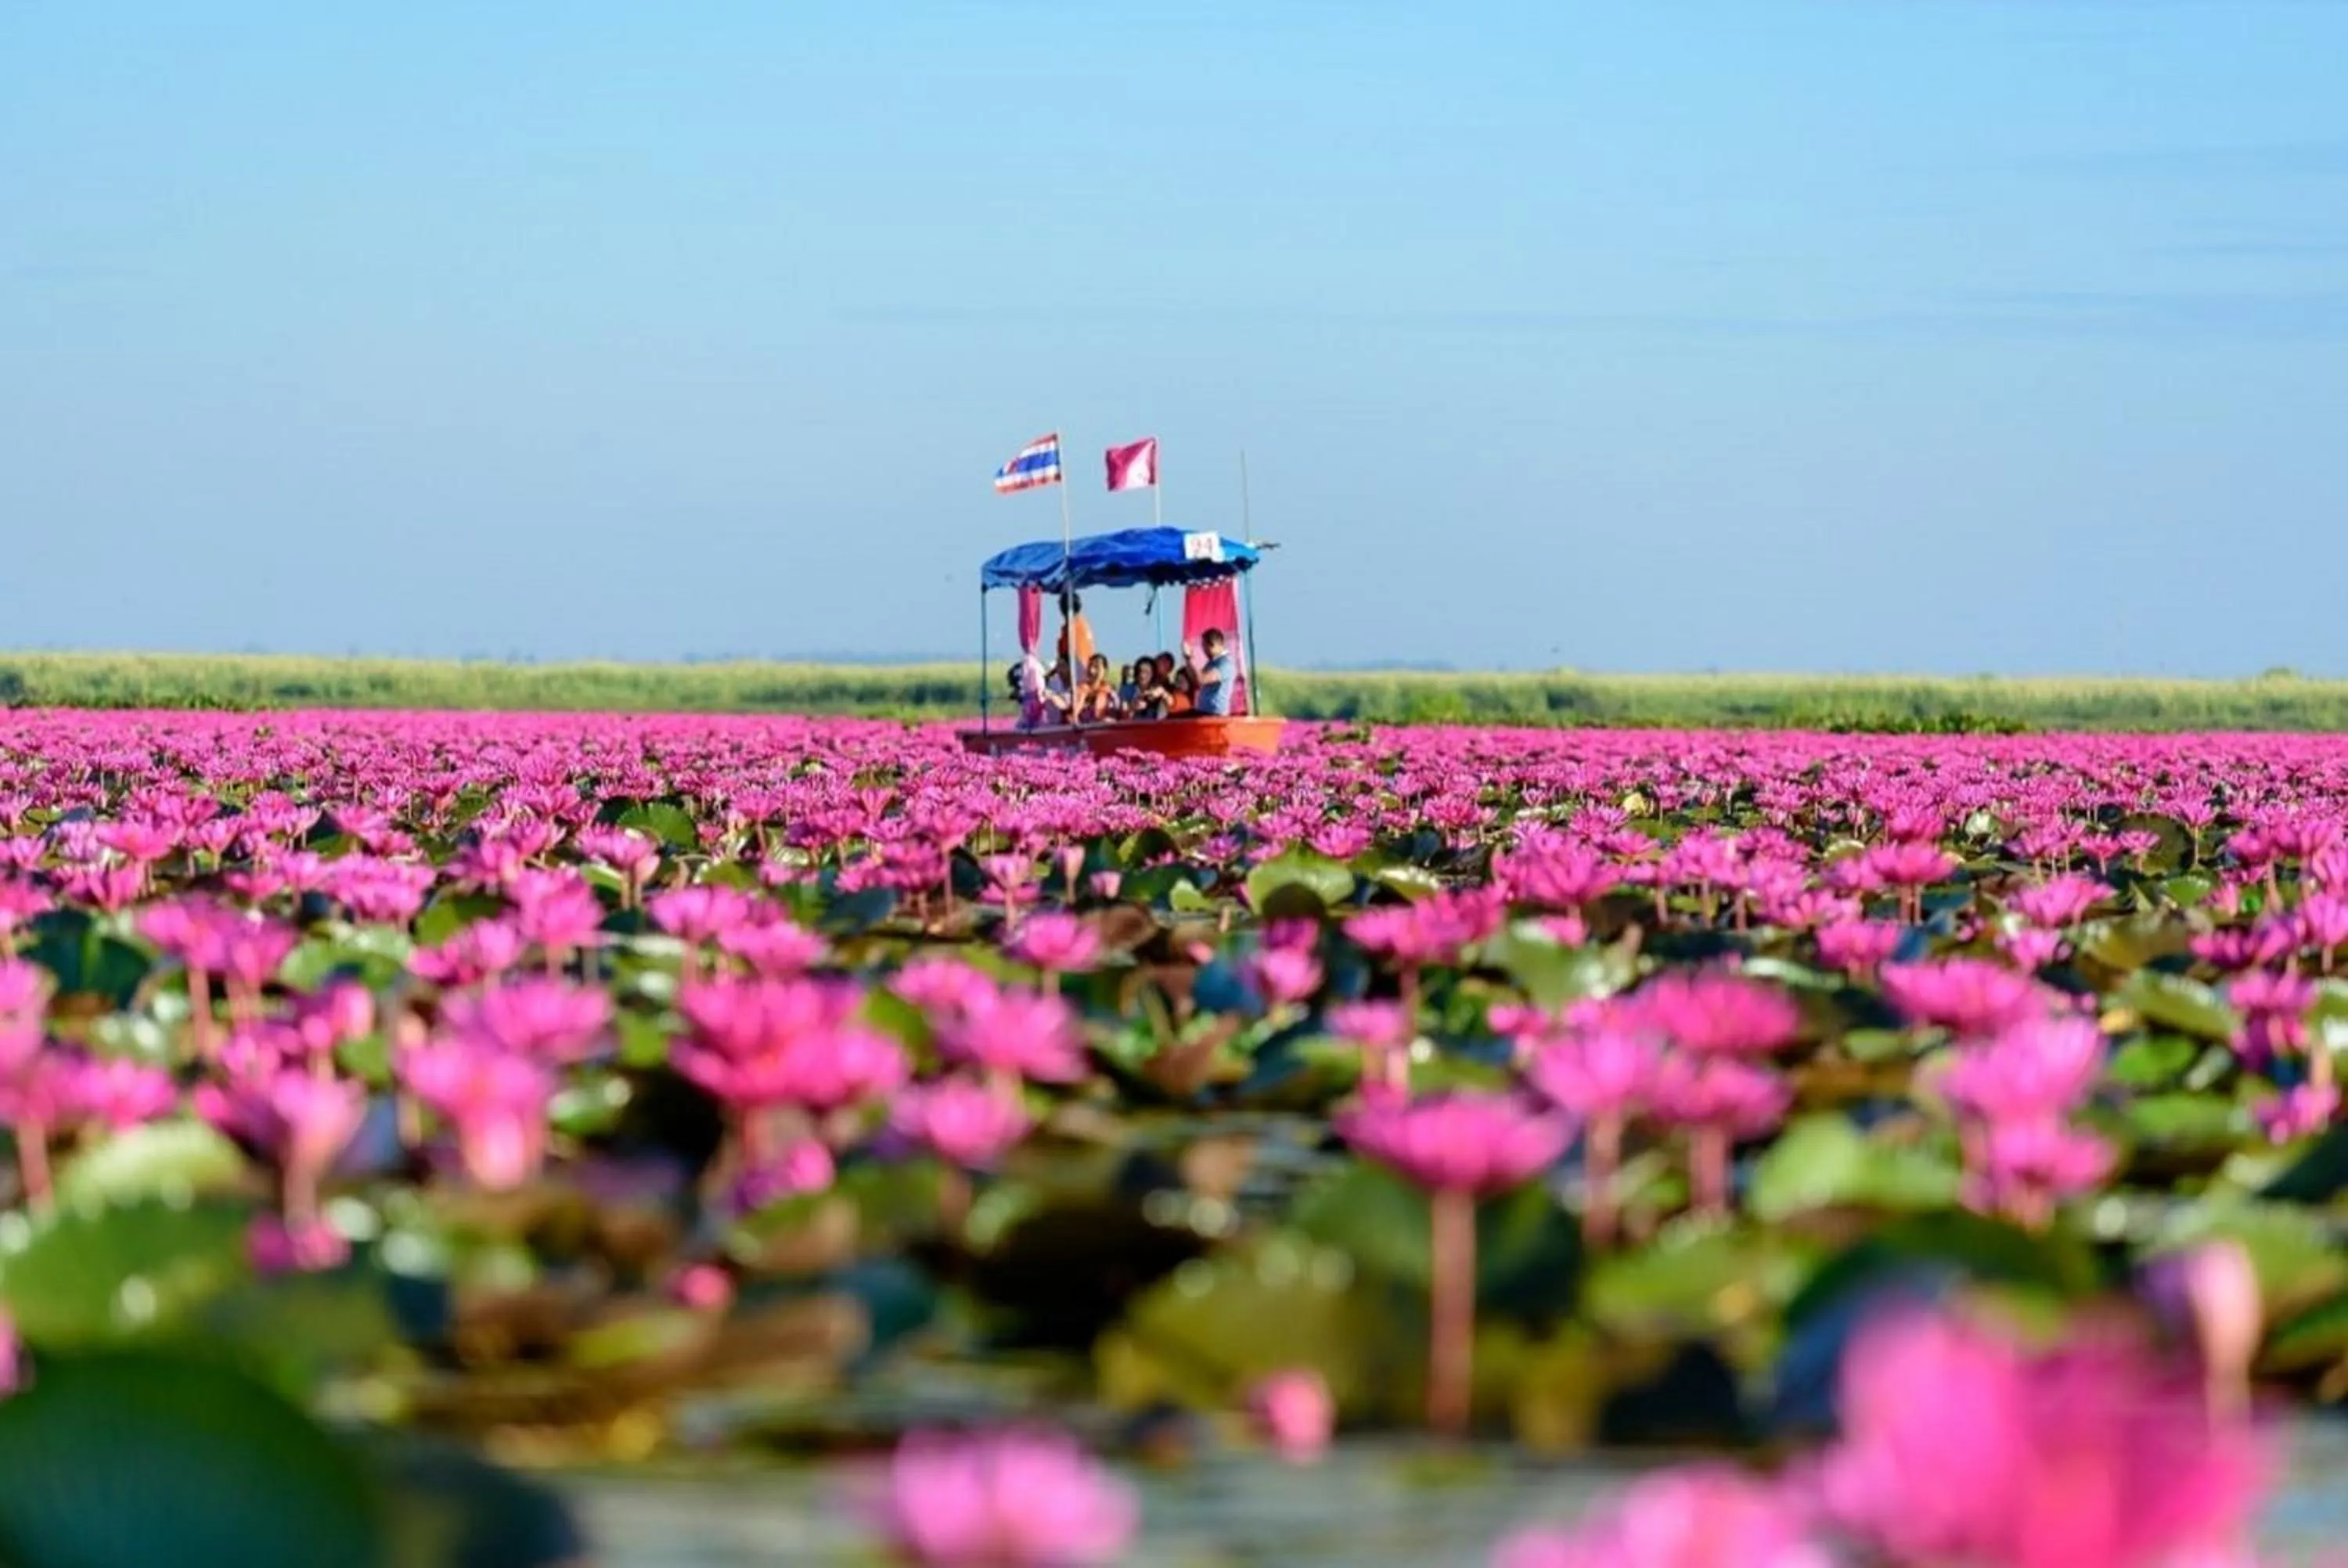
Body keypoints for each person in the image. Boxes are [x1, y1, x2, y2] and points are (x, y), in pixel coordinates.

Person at [1187, 628, 1239, 717]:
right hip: (1203, 711)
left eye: (1204, 646)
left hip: (1214, 714)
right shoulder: (1211, 663)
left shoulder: (1225, 664)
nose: (1203, 650)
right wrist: (1187, 661)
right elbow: (1196, 680)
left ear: (1212, 645)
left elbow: (1202, 680)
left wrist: (1190, 659)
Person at [1056, 593, 1097, 672]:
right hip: (1083, 670)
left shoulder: (1073, 627)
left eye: (1060, 603)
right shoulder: (1082, 623)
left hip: (1077, 672)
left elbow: (1068, 656)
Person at [1075, 653, 1119, 723]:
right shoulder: (1079, 689)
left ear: (1105, 670)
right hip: (1081, 730)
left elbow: (1117, 716)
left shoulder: (1110, 693)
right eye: (1090, 666)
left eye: (1096, 667)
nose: (1092, 671)